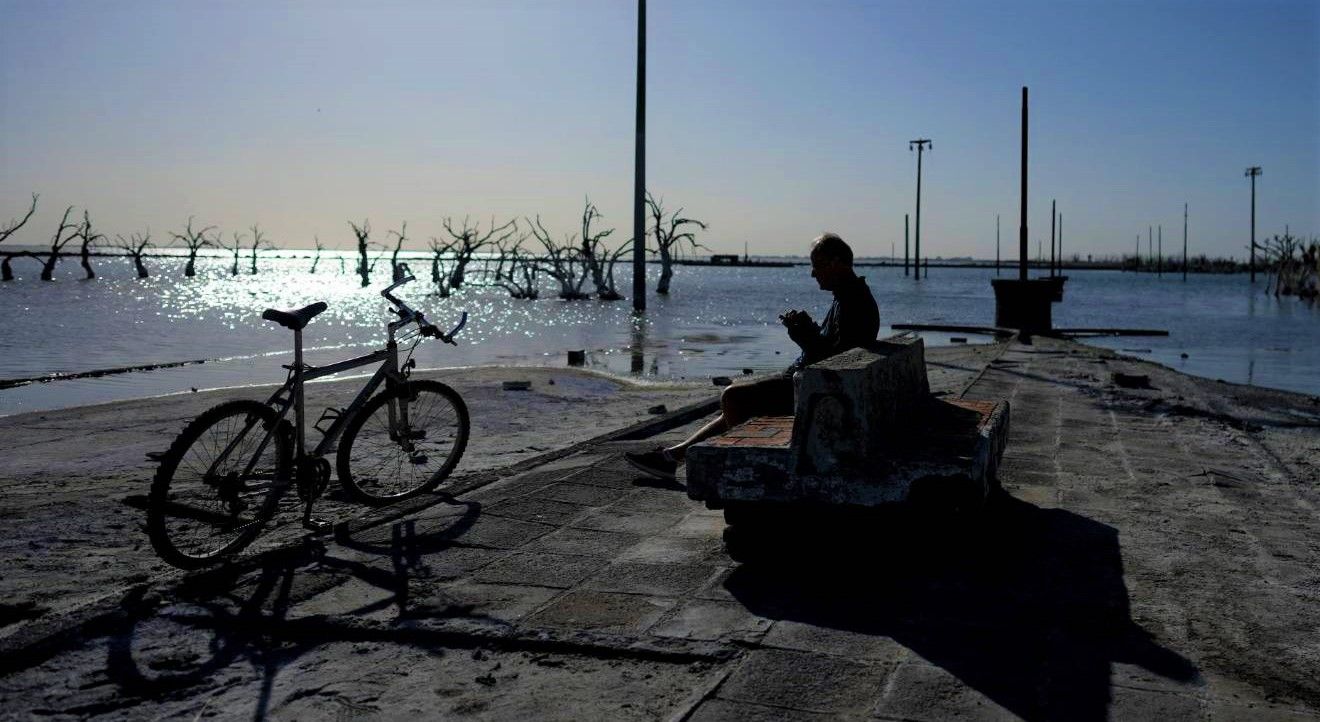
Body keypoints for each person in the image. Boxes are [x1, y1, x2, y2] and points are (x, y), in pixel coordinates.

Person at [625, 232, 880, 481]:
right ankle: (672, 457)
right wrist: (808, 331)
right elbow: (835, 353)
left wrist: (804, 336)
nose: (813, 273)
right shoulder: (848, 296)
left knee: (733, 397)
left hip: (814, 393)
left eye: (817, 266)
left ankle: (746, 472)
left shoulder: (853, 303)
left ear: (836, 262)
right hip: (811, 386)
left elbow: (835, 363)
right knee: (738, 397)